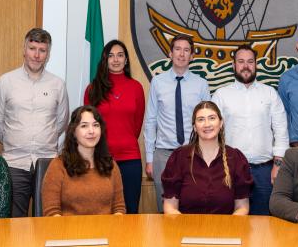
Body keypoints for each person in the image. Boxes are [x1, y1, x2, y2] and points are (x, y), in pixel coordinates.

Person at [0, 28, 69, 217]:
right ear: (24, 49)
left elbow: (62, 122)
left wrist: (45, 139)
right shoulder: (6, 81)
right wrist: (15, 141)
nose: (36, 55)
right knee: (14, 221)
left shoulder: (58, 84)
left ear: (48, 54)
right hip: (14, 163)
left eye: (42, 50)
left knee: (49, 218)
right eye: (32, 48)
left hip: (48, 162)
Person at [212, 44, 288, 215]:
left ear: (256, 65)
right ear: (233, 65)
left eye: (250, 61)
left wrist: (278, 165)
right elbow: (211, 134)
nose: (246, 66)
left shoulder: (270, 93)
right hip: (229, 171)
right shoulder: (220, 95)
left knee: (265, 224)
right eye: (241, 61)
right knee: (231, 223)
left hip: (265, 172)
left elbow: (281, 131)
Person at [144, 35, 210, 211]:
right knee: (164, 207)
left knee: (192, 205)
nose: (182, 54)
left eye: (186, 50)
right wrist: (150, 159)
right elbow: (150, 121)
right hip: (163, 155)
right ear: (170, 53)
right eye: (177, 49)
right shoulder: (157, 83)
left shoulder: (201, 84)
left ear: (192, 56)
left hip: (193, 154)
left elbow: (209, 123)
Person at [84, 40, 145, 214]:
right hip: (100, 158)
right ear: (105, 59)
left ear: (126, 60)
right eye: (111, 56)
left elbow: (137, 124)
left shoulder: (136, 87)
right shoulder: (93, 89)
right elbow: (87, 125)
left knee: (130, 210)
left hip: (130, 159)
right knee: (101, 211)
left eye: (120, 55)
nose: (115, 60)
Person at [161, 101, 252, 215]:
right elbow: (170, 207)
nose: (207, 124)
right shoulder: (179, 157)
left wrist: (230, 230)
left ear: (221, 123)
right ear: (194, 126)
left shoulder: (236, 158)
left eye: (212, 118)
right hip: (186, 229)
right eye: (201, 119)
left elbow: (242, 207)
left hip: (226, 230)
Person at [42, 106, 126, 216]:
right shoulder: (58, 166)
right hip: (69, 232)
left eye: (95, 125)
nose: (91, 131)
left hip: (106, 231)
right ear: (73, 132)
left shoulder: (110, 165)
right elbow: (51, 212)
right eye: (84, 126)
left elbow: (119, 208)